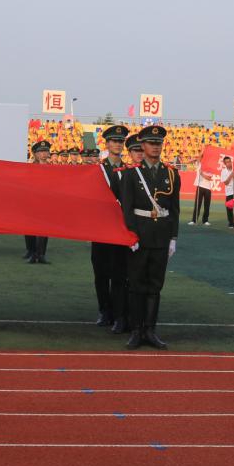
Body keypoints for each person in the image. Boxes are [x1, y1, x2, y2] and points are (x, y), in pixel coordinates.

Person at [119, 125, 180, 350]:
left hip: (161, 236)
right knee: (136, 284)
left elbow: (174, 209)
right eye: (151, 144)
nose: (155, 147)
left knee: (155, 285)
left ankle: (150, 330)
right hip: (139, 235)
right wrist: (131, 235)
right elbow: (127, 209)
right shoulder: (131, 175)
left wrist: (173, 237)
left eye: (158, 144)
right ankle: (136, 330)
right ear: (142, 146)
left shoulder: (171, 173)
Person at [91, 125, 131, 332]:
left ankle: (118, 313)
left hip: (119, 230)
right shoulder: (97, 169)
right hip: (100, 228)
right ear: (106, 144)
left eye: (120, 141)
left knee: (118, 274)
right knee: (100, 273)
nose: (117, 144)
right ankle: (103, 310)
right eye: (114, 141)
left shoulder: (128, 171)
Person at [24, 140, 52, 264]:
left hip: (46, 202)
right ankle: (31, 250)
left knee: (44, 229)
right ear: (35, 154)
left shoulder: (53, 169)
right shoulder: (30, 168)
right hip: (32, 201)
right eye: (41, 151)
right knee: (29, 227)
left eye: (46, 151)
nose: (44, 154)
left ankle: (40, 254)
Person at [190, 150, 214, 226]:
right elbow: (196, 158)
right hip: (200, 186)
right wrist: (204, 149)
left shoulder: (210, 167)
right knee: (197, 204)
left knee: (207, 205)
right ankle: (194, 220)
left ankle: (205, 220)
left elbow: (209, 178)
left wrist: (202, 174)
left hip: (207, 188)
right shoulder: (199, 164)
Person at [219, 154, 234, 230]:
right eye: (227, 162)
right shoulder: (223, 171)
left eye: (229, 161)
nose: (229, 163)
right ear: (224, 163)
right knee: (229, 208)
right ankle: (231, 223)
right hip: (229, 192)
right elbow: (226, 182)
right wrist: (231, 175)